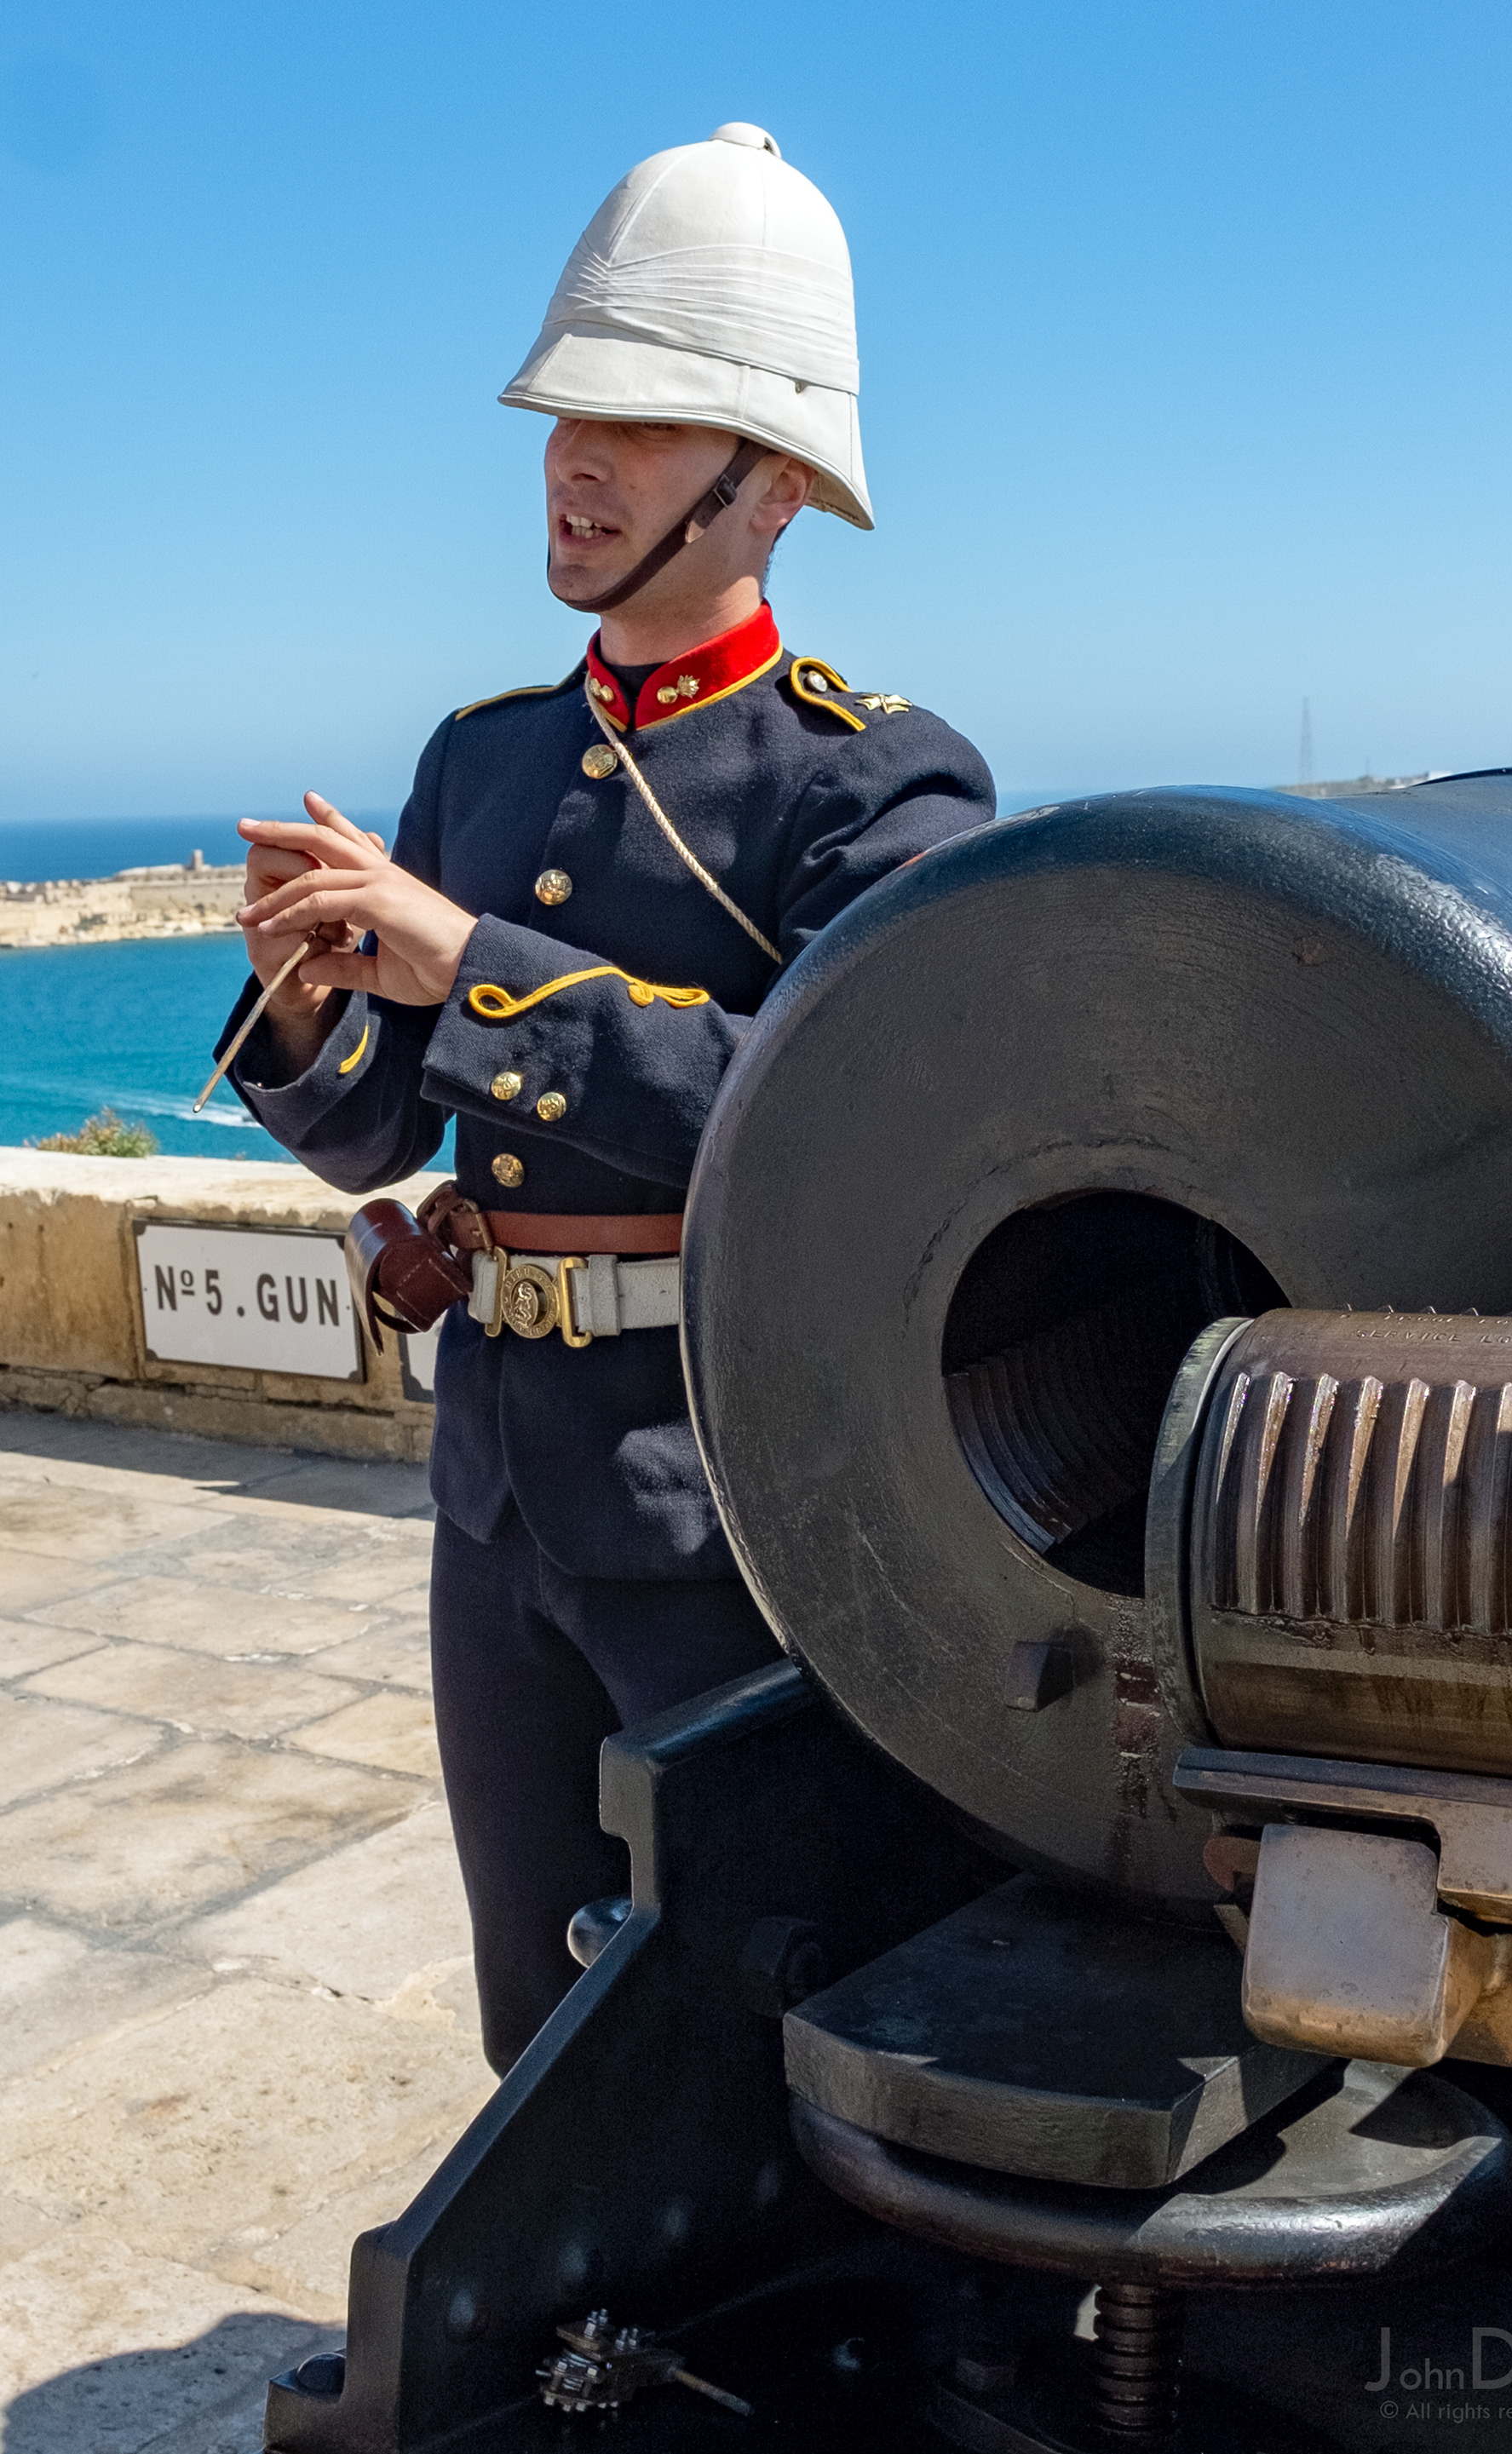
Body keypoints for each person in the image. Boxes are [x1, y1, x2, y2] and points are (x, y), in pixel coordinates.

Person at [217, 123, 996, 2076]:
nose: (576, 460)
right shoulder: (479, 757)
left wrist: (464, 958)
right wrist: (310, 1004)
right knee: (530, 2003)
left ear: (777, 483)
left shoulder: (878, 787)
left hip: (721, 1500)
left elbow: (818, 1115)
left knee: (746, 1998)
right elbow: (383, 1133)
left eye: (643, 421)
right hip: (498, 1481)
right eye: (569, 411)